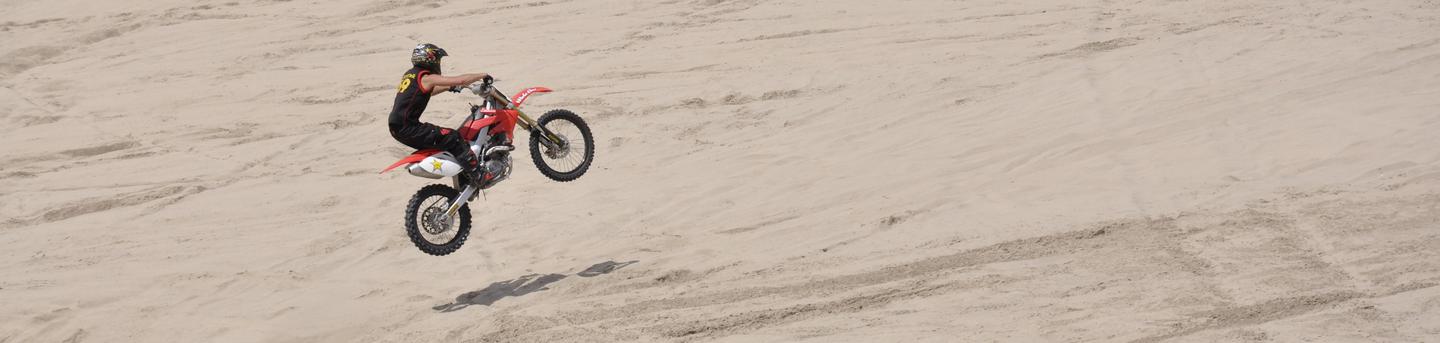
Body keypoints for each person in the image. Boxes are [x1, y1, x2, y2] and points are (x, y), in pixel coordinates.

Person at [388, 43, 492, 181]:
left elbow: (427, 91)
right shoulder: (426, 77)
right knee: (453, 137)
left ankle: (460, 169)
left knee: (444, 142)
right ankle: (478, 174)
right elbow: (460, 79)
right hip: (409, 128)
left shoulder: (411, 75)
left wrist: (449, 87)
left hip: (397, 127)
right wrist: (483, 75)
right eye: (438, 59)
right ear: (430, 58)